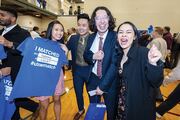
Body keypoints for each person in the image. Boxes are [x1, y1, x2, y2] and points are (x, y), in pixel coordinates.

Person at [115, 21, 164, 120]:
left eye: (128, 32)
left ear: (134, 36)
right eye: (120, 32)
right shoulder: (118, 55)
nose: (124, 34)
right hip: (121, 108)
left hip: (138, 110)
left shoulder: (144, 53)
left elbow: (156, 82)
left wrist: (153, 63)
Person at [0, 6, 39, 120]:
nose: (0, 17)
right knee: (8, 104)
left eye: (3, 15)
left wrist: (9, 44)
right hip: (2, 75)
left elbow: (30, 52)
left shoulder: (23, 33)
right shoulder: (0, 32)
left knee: (13, 100)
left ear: (13, 18)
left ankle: (35, 107)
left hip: (15, 74)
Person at [83, 6, 117, 119]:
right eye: (98, 18)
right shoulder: (91, 37)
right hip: (92, 80)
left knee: (111, 113)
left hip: (110, 82)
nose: (102, 21)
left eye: (105, 18)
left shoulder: (116, 37)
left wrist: (103, 86)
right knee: (94, 112)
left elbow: (114, 65)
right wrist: (93, 56)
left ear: (109, 20)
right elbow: (86, 55)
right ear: (94, 21)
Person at [35, 20, 67, 120]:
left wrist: (65, 52)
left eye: (61, 30)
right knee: (44, 104)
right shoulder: (41, 44)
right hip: (43, 78)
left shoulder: (62, 46)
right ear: (50, 30)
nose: (59, 32)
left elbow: (63, 64)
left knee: (57, 100)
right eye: (56, 29)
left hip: (57, 76)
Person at [66, 13, 91, 120]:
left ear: (89, 25)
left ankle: (93, 110)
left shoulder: (94, 38)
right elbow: (64, 49)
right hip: (77, 71)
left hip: (90, 71)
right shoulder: (73, 38)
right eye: (79, 25)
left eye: (84, 25)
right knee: (78, 92)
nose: (81, 27)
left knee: (92, 94)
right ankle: (81, 109)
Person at [147, 26, 168, 102]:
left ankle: (157, 96)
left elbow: (149, 52)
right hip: (161, 62)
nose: (152, 33)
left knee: (153, 81)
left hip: (155, 63)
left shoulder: (155, 41)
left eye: (153, 32)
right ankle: (158, 96)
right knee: (156, 80)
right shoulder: (163, 41)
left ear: (156, 32)